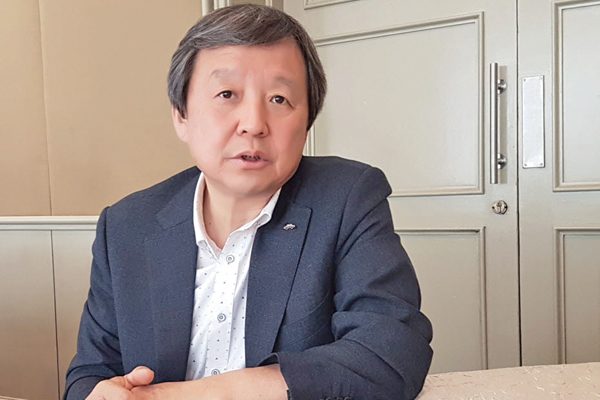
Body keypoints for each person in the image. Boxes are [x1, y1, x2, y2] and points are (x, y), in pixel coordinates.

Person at [65, 4, 433, 400]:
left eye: (279, 99)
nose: (254, 124)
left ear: (307, 123)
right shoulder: (127, 225)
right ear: (181, 115)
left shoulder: (348, 198)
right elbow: (90, 373)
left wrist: (182, 396)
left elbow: (389, 354)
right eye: (227, 94)